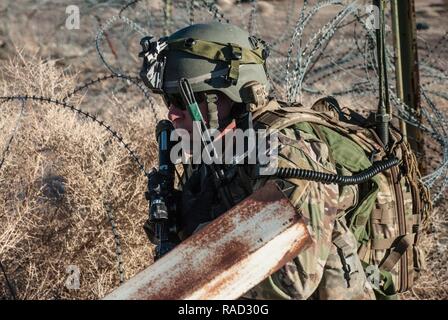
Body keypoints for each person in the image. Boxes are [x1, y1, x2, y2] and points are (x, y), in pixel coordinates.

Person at [139, 21, 431, 300]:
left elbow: (291, 284)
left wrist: (196, 257)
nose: (172, 114)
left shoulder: (286, 156)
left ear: (228, 98)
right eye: (168, 100)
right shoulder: (219, 148)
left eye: (181, 99)